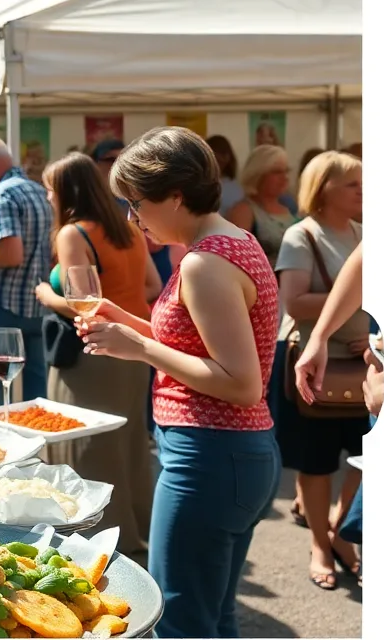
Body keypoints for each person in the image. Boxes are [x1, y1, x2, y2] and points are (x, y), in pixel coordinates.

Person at [79, 127, 280, 639]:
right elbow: (202, 349)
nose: (132, 217)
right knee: (213, 617)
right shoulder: (231, 242)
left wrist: (140, 347)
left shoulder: (204, 262)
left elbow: (241, 383)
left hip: (209, 457)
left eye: (136, 203)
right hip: (233, 455)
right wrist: (129, 326)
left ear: (175, 195)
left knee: (177, 621)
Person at [30, 153, 161, 560]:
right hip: (133, 348)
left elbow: (81, 302)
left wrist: (46, 295)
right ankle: (138, 531)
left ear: (66, 192)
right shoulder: (129, 229)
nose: (48, 197)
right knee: (129, 447)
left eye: (51, 188)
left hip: (93, 352)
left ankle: (99, 540)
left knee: (86, 448)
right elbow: (153, 286)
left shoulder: (73, 234)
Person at [274, 150, 364, 590]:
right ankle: (321, 545)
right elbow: (293, 302)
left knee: (367, 459)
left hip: (367, 364)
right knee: (317, 462)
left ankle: (338, 528)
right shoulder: (301, 235)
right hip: (317, 366)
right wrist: (360, 299)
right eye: (352, 183)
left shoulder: (366, 233)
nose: (362, 190)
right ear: (324, 187)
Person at [0, 136, 54, 407]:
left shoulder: (0, 195)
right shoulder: (39, 191)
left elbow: (11, 254)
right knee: (36, 396)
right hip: (34, 305)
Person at [226, 145, 297, 267]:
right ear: (258, 175)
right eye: (277, 172)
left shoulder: (288, 207)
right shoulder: (244, 211)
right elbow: (237, 259)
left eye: (286, 171)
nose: (284, 177)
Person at [206, 135, 245, 214]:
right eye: (215, 153)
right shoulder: (197, 185)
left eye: (223, 154)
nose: (220, 158)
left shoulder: (235, 186)